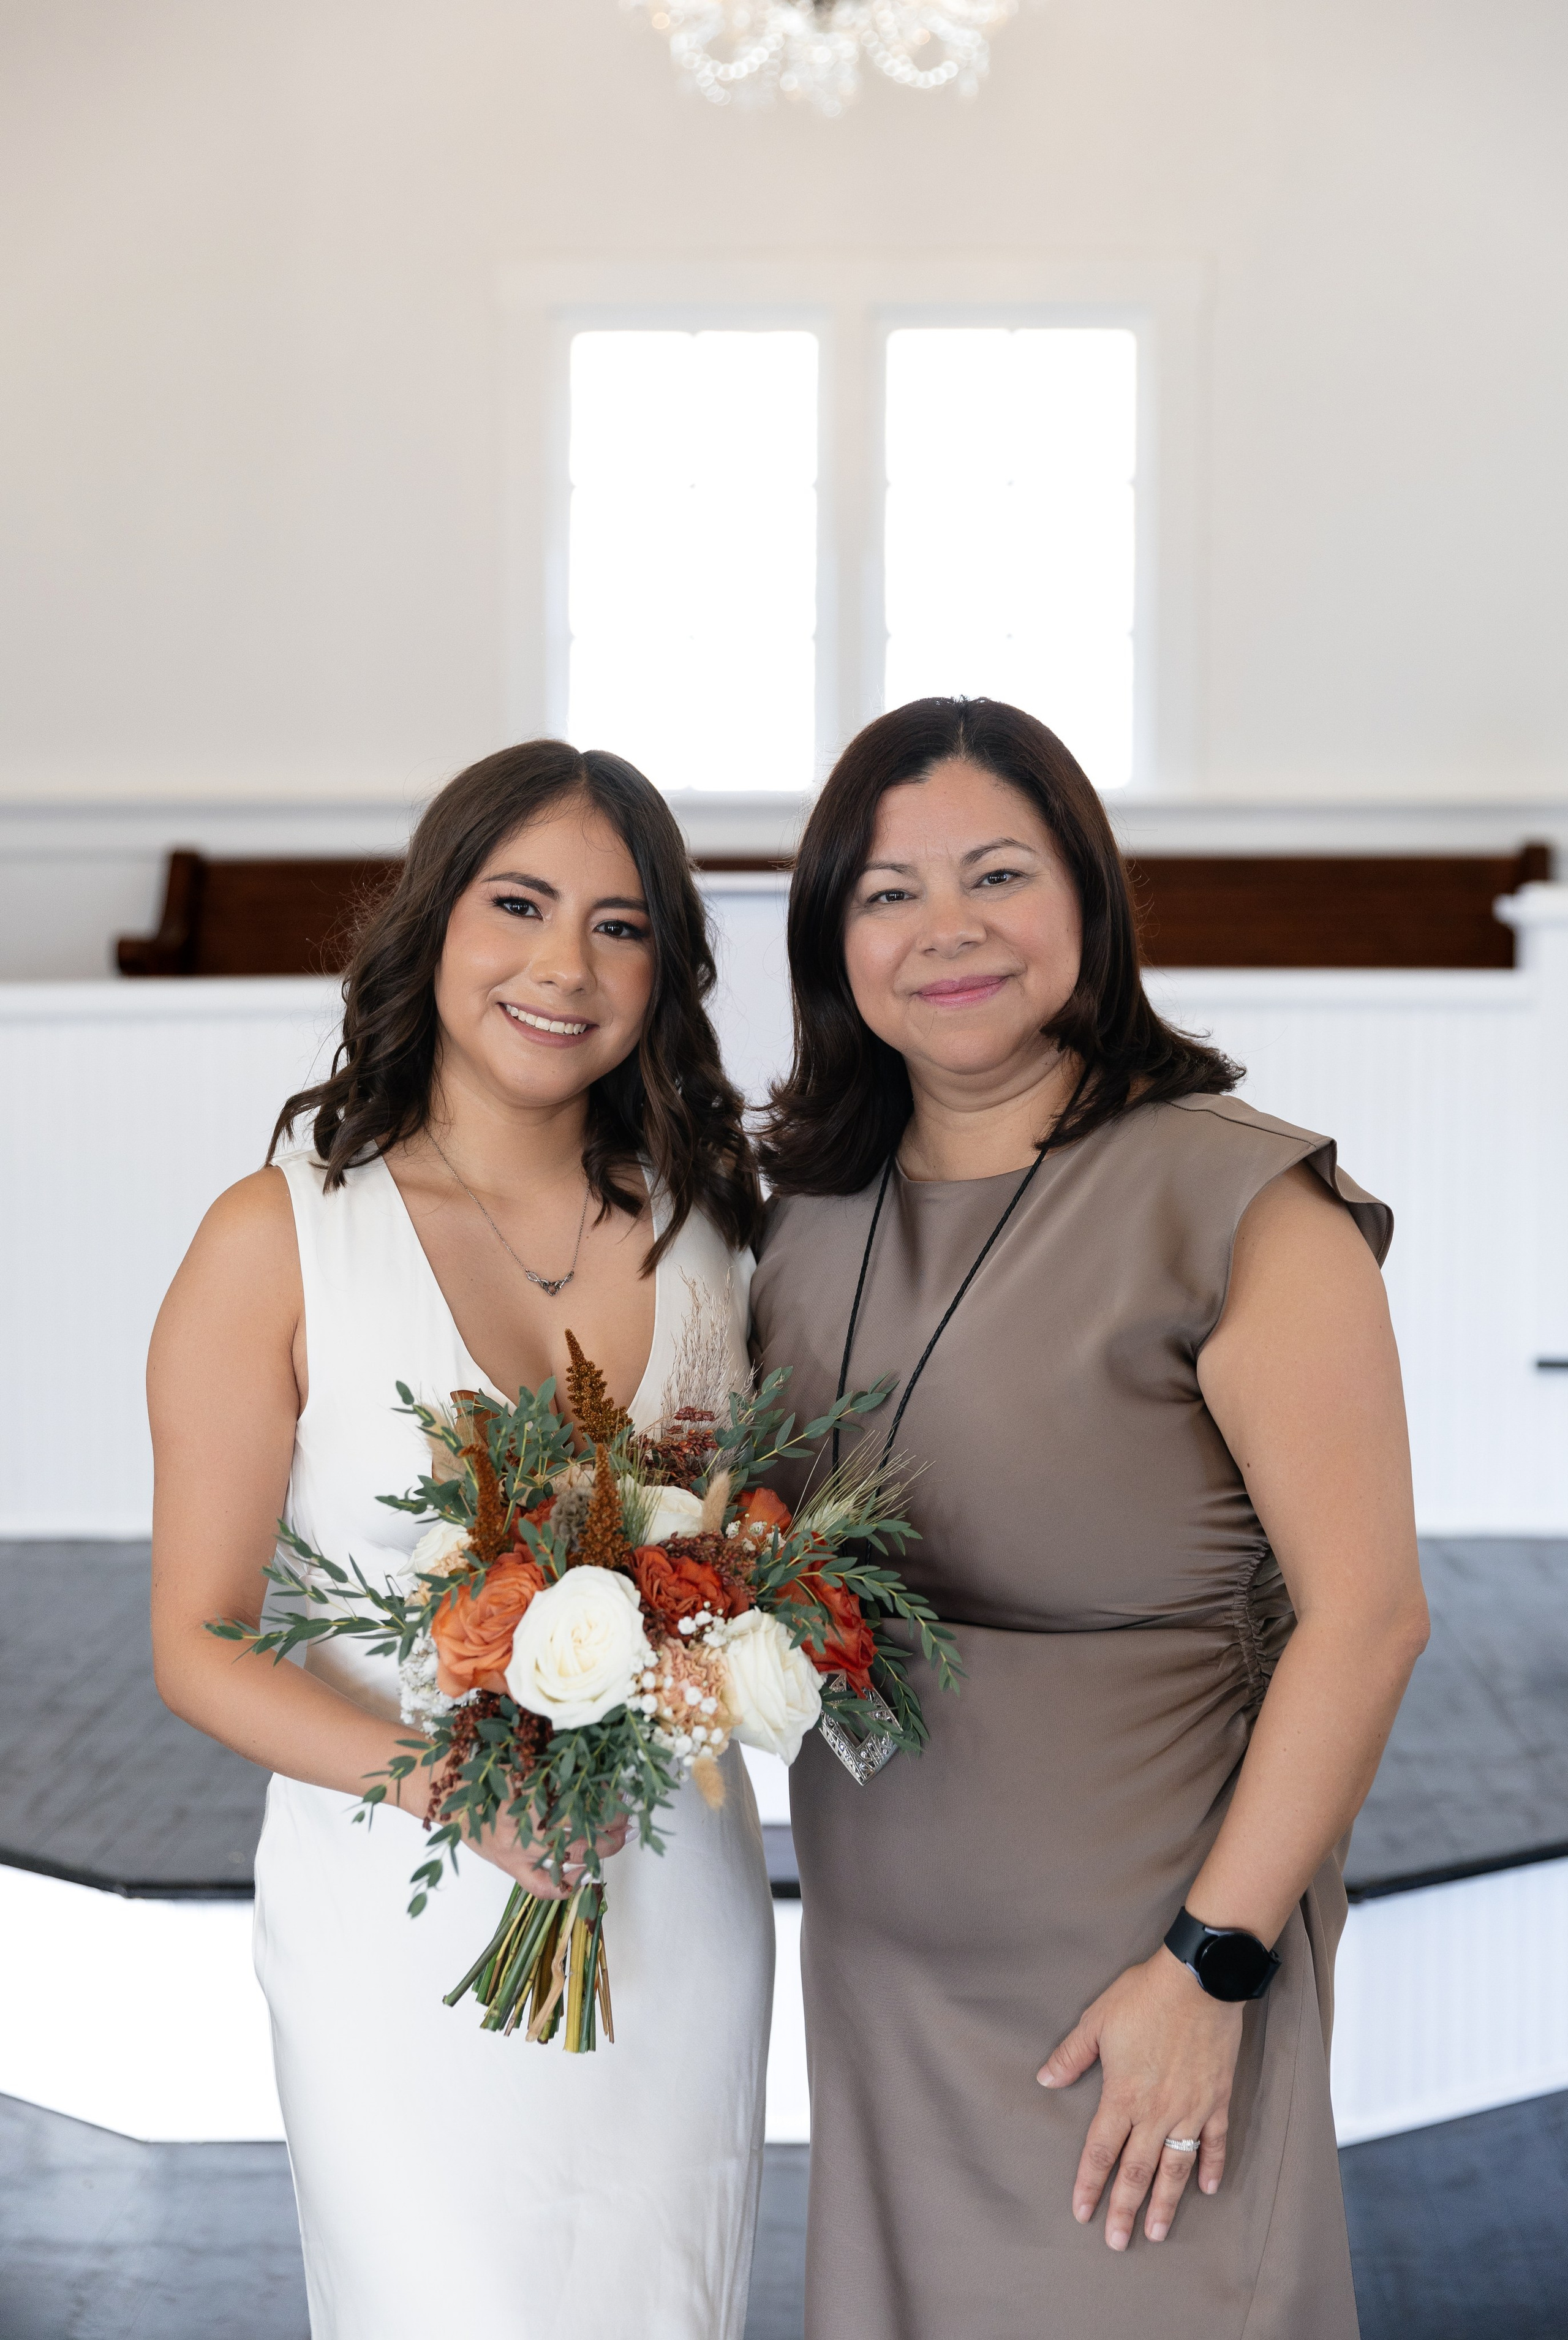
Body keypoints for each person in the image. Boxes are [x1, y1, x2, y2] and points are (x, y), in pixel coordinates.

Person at [750, 697, 1429, 2340]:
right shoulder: (793, 1212)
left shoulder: (1240, 1200)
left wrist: (1214, 1964)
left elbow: (1369, 1613)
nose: (948, 930)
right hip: (886, 1989)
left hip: (1147, 1968)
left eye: (1000, 872)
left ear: (1090, 897)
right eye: (888, 891)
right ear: (832, 934)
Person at [149, 741, 775, 2340]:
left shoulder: (716, 1228)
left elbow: (755, 1544)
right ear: (432, 923)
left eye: (622, 926)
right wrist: (446, 1782)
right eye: (520, 903)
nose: (565, 964)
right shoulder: (276, 1237)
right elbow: (197, 1642)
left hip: (669, 1911)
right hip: (400, 1925)